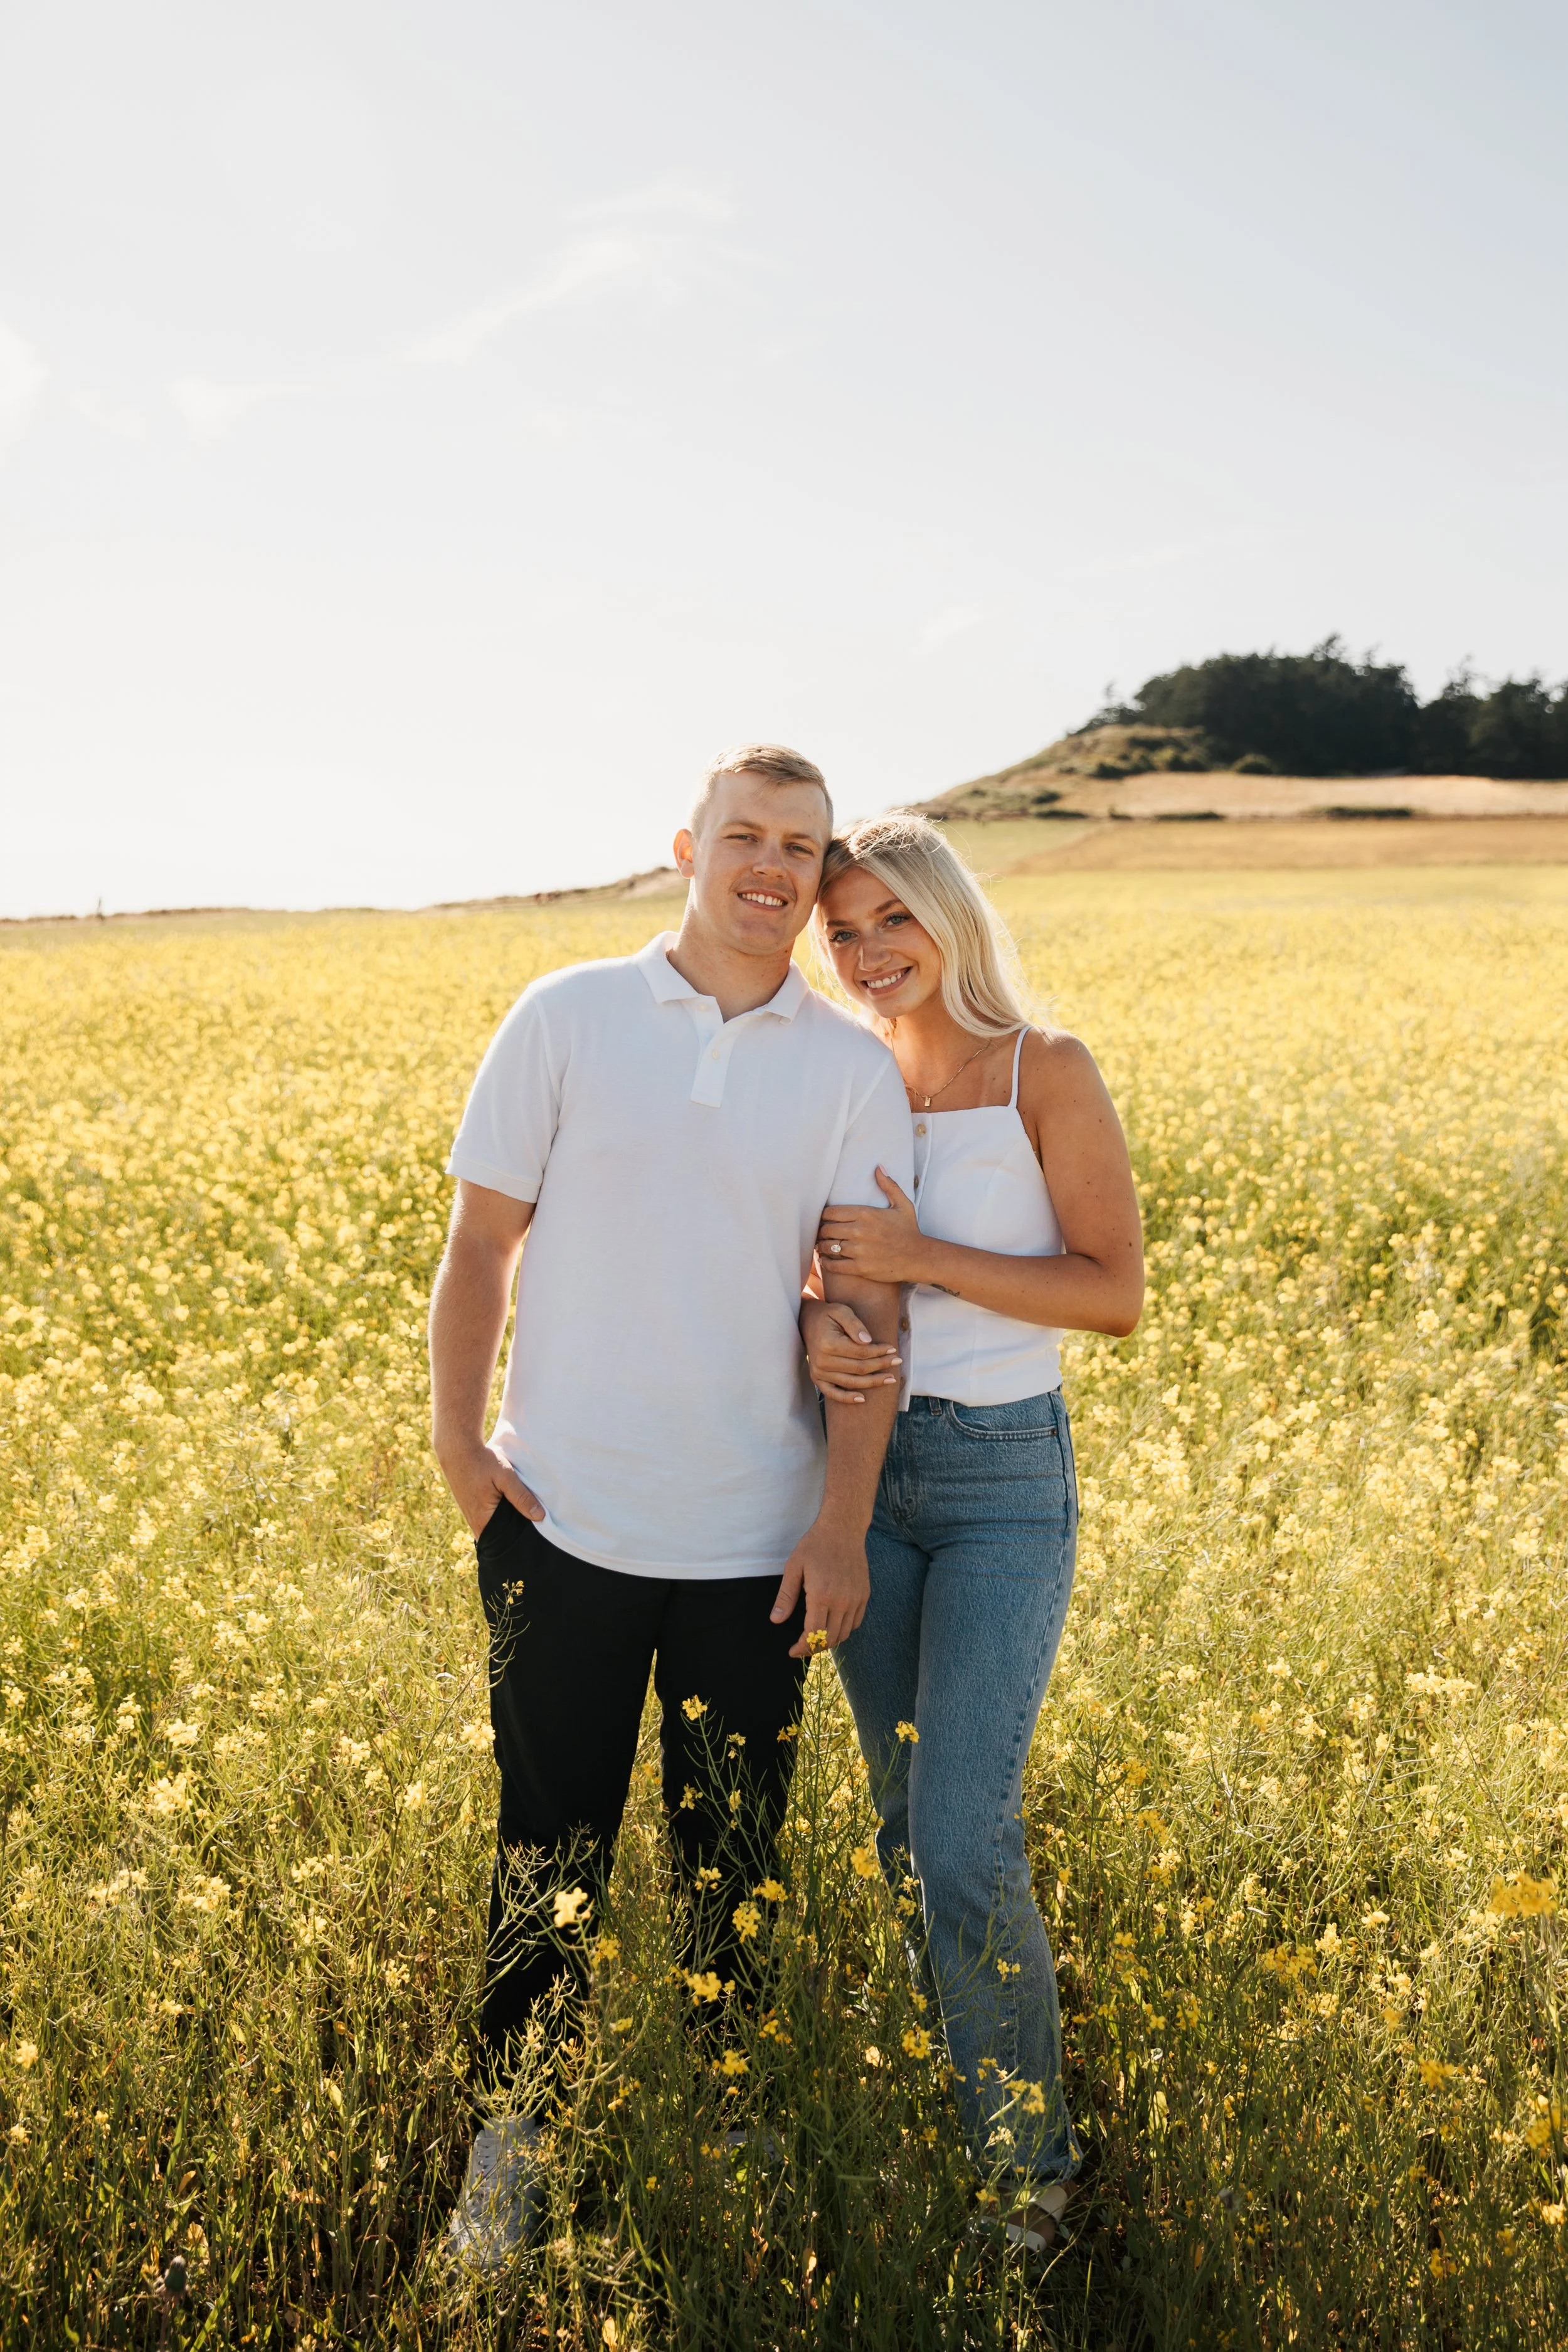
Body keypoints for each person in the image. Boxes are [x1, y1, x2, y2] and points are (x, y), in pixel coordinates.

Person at [428, 746, 912, 2270]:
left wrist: (838, 1525)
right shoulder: (564, 1014)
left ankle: (733, 2126)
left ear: (819, 868)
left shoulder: (847, 1071)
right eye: (745, 837)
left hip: (752, 1549)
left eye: (800, 847)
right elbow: (478, 1250)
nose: (770, 867)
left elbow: (864, 1315)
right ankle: (513, 2149)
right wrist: (462, 1457)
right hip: (560, 1525)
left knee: (738, 1858)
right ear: (687, 845)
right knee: (544, 1854)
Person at [800, 811, 1143, 2257]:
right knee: (901, 1826)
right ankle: (966, 2095)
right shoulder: (834, 1078)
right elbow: (804, 1270)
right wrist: (816, 1325)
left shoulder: (1040, 1070)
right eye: (844, 931)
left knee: (960, 1828)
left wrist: (921, 1260)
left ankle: (1030, 2178)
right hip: (859, 1484)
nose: (870, 952)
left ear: (946, 915)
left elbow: (1111, 1291)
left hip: (1003, 1480)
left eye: (893, 919)